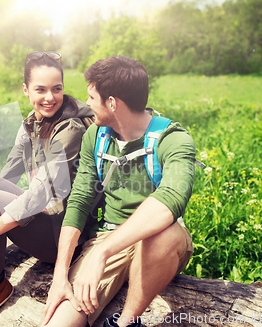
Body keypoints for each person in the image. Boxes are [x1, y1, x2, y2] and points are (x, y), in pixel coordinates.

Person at [41, 56, 195, 327]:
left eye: (91, 97)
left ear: (112, 103)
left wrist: (102, 254)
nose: (86, 103)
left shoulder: (173, 139)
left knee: (166, 233)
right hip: (107, 238)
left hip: (157, 241)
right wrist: (60, 277)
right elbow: (78, 202)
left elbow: (171, 199)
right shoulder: (95, 137)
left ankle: (125, 323)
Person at [0, 51, 94, 326]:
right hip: (47, 217)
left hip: (66, 235)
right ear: (26, 90)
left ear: (64, 88)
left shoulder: (71, 129)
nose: (49, 97)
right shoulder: (32, 121)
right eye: (41, 89)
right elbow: (10, 170)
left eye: (57, 89)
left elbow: (42, 192)